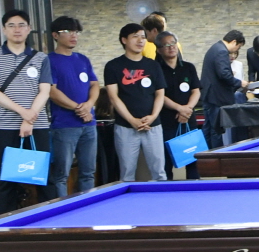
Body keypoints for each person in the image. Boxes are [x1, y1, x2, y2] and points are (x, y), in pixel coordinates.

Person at [0, 8, 51, 213]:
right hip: (5, 126)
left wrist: (29, 119)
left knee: (43, 176)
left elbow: (45, 91)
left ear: (29, 29)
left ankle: (50, 222)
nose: (17, 29)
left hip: (38, 125)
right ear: (4, 30)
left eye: (21, 25)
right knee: (8, 178)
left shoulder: (41, 58)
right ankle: (6, 224)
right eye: (11, 25)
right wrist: (23, 113)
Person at [105, 23, 167, 182]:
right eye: (135, 37)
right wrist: (132, 120)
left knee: (159, 172)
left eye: (143, 37)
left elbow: (160, 94)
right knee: (127, 173)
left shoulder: (153, 65)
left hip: (152, 125)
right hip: (125, 127)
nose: (140, 41)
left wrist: (153, 116)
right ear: (124, 40)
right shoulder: (113, 66)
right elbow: (113, 97)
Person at [46, 15, 99, 198]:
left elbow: (94, 85)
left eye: (76, 32)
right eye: (68, 31)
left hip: (89, 124)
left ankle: (86, 206)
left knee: (88, 172)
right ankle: (61, 209)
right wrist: (80, 108)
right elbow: (52, 91)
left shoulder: (82, 59)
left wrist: (89, 105)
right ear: (55, 35)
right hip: (64, 125)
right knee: (61, 175)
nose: (73, 35)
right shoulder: (49, 60)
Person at [156, 31, 202, 180]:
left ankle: (194, 189)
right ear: (159, 50)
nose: (171, 47)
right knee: (166, 162)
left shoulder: (188, 67)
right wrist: (179, 109)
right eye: (166, 45)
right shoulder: (156, 69)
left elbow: (196, 91)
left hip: (189, 119)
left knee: (193, 160)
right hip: (167, 121)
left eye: (173, 43)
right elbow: (159, 95)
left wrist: (188, 109)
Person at [200, 29, 245, 150]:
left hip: (208, 95)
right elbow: (224, 74)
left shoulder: (215, 47)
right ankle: (217, 155)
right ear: (234, 42)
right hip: (216, 97)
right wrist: (240, 83)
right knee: (216, 129)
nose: (237, 50)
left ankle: (206, 154)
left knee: (208, 128)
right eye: (239, 47)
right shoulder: (222, 51)